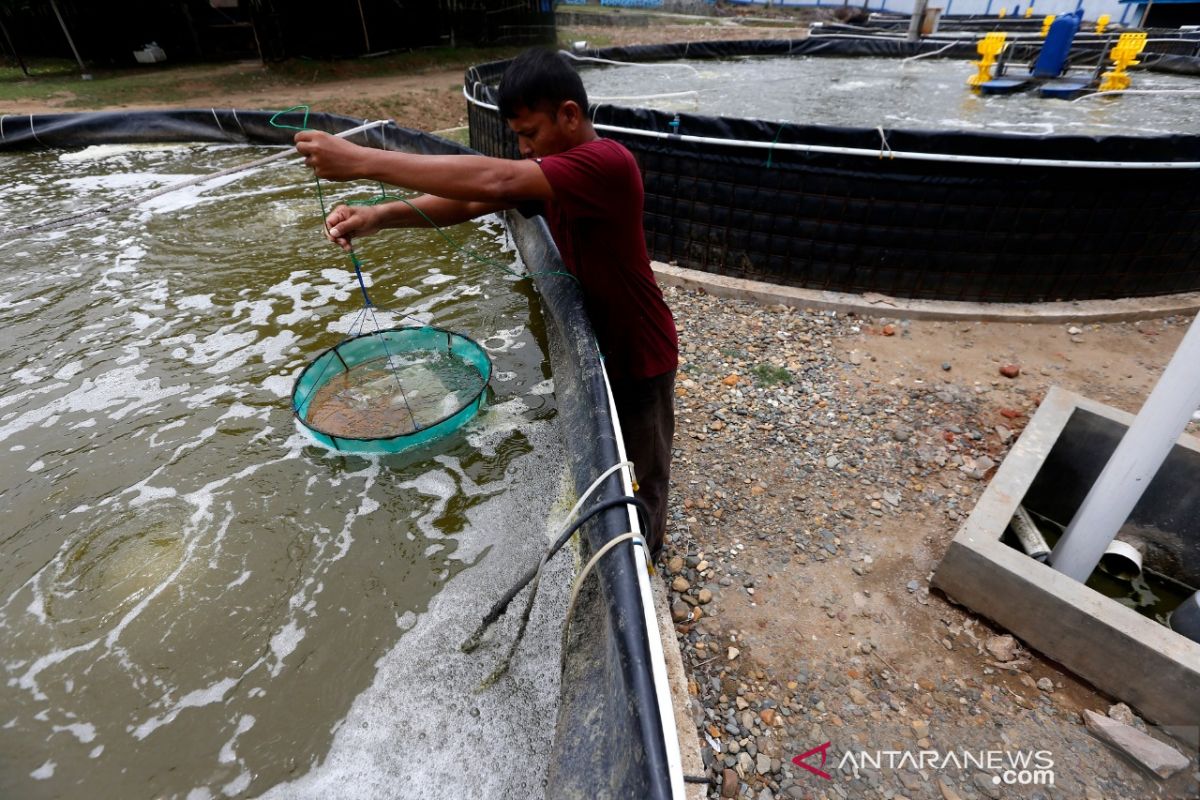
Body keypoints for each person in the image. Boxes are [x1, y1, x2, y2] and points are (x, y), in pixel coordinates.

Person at [294, 48, 678, 558]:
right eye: (517, 137)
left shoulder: (605, 164)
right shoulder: (555, 174)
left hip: (642, 353)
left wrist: (362, 161)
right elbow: (473, 200)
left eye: (529, 133)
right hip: (607, 340)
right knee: (616, 456)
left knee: (643, 474)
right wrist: (379, 216)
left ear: (569, 114)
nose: (522, 149)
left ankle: (646, 558)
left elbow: (494, 180)